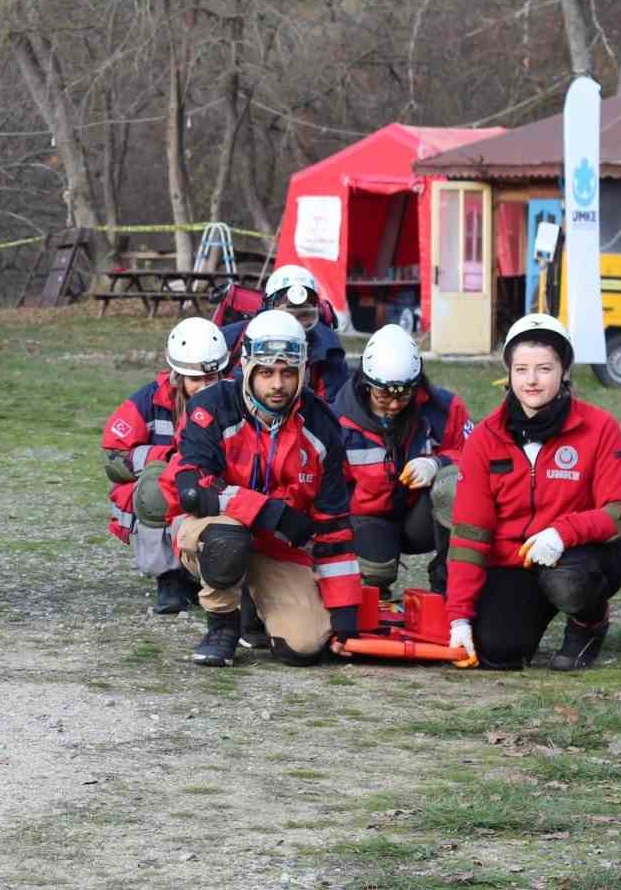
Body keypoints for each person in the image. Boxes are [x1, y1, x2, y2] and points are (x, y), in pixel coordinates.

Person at [144, 309, 358, 667]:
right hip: (212, 531)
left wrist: (346, 614)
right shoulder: (211, 406)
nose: (277, 384)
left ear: (303, 370)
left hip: (277, 547)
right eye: (267, 372)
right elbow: (195, 488)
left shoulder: (322, 426)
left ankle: (259, 609)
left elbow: (334, 526)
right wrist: (268, 512)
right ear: (247, 367)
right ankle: (222, 624)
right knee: (228, 540)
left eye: (288, 373)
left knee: (305, 646)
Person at [445, 314, 621, 671]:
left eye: (544, 368)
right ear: (509, 374)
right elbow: (470, 533)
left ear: (564, 370)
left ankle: (589, 624)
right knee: (496, 653)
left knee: (568, 581)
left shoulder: (600, 428)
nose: (531, 380)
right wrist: (459, 618)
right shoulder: (485, 439)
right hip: (515, 563)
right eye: (521, 369)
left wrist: (563, 533)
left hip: (579, 558)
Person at [332, 324, 471, 603]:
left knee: (457, 484)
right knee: (374, 573)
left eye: (404, 395)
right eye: (383, 396)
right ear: (366, 383)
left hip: (424, 516)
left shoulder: (445, 409)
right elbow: (331, 492)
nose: (394, 405)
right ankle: (374, 584)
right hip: (368, 519)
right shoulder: (338, 419)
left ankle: (449, 588)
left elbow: (476, 458)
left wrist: (437, 463)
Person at [103, 317, 230, 614]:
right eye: (195, 379)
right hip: (170, 487)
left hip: (218, 483)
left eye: (211, 379)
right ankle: (169, 577)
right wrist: (167, 456)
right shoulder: (148, 400)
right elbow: (113, 457)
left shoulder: (236, 399)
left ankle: (219, 571)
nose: (203, 387)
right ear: (178, 376)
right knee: (154, 486)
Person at [219, 265, 348, 400]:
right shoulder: (235, 336)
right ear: (266, 309)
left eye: (303, 316)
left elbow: (331, 407)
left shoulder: (329, 351)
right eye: (287, 315)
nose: (294, 327)